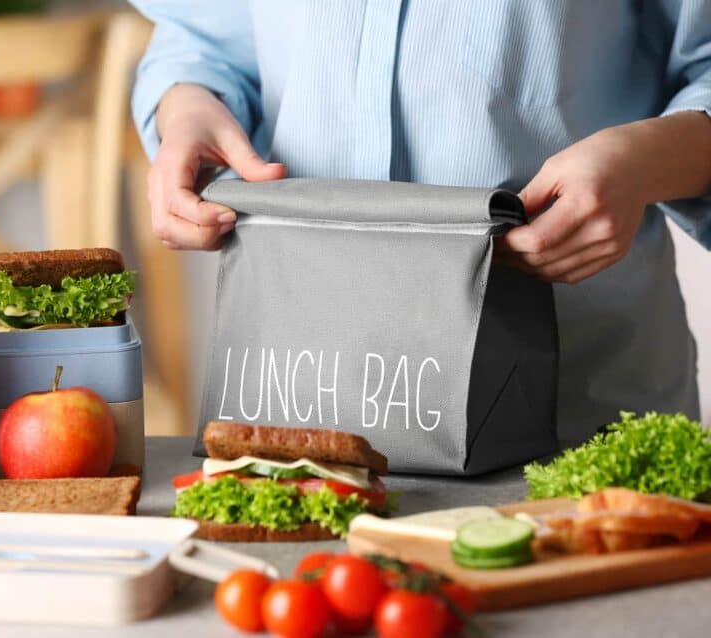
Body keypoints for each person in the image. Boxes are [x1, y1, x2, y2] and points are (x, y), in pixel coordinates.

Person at [129, 1, 711, 445]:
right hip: (298, 394)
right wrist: (186, 107)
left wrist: (644, 161)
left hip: (576, 404)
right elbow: (205, 35)